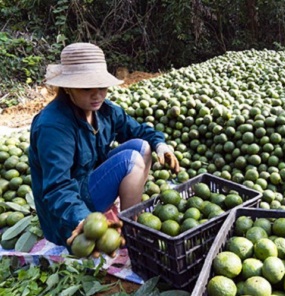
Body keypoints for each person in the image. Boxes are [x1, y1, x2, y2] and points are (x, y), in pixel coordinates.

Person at [28, 42, 180, 254]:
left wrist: (161, 145)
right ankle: (130, 232)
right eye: (87, 88)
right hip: (67, 215)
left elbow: (138, 130)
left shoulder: (105, 111)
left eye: (101, 87)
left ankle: (128, 224)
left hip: (89, 187)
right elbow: (57, 188)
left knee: (143, 147)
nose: (97, 95)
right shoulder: (54, 126)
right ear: (68, 88)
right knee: (130, 161)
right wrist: (84, 219)